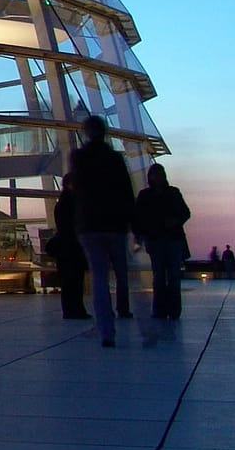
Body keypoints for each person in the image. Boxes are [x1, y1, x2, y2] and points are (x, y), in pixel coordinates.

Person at [67, 115, 135, 346]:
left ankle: (106, 330)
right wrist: (130, 222)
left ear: (86, 132)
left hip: (90, 225)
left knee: (99, 278)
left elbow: (77, 187)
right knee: (121, 272)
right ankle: (124, 309)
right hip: (115, 225)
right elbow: (127, 192)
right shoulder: (115, 159)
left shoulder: (78, 157)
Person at [131, 162, 191, 320]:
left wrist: (174, 221)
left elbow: (185, 213)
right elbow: (137, 220)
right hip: (159, 240)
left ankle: (169, 311)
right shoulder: (149, 195)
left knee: (171, 277)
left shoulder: (169, 193)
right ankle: (165, 311)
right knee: (161, 277)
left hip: (169, 240)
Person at [51, 177, 91, 320]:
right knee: (76, 280)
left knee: (68, 282)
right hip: (74, 247)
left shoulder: (61, 204)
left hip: (65, 248)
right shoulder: (75, 203)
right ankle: (77, 309)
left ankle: (70, 310)